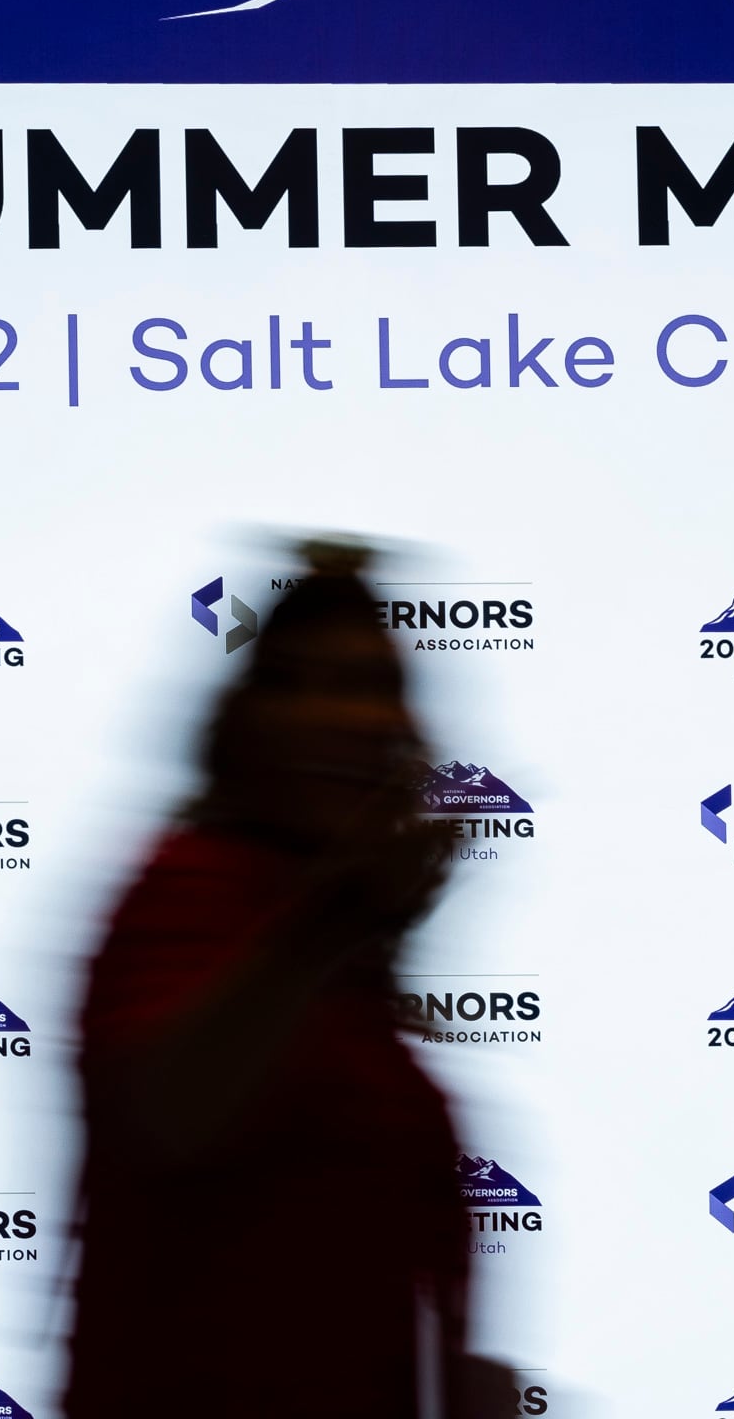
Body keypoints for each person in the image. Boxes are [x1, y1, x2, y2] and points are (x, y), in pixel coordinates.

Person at [68, 545, 516, 1419]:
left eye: (378, 685)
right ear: (242, 726)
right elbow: (166, 1113)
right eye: (306, 683)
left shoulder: (350, 981)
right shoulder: (191, 886)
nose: (352, 718)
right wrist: (334, 921)